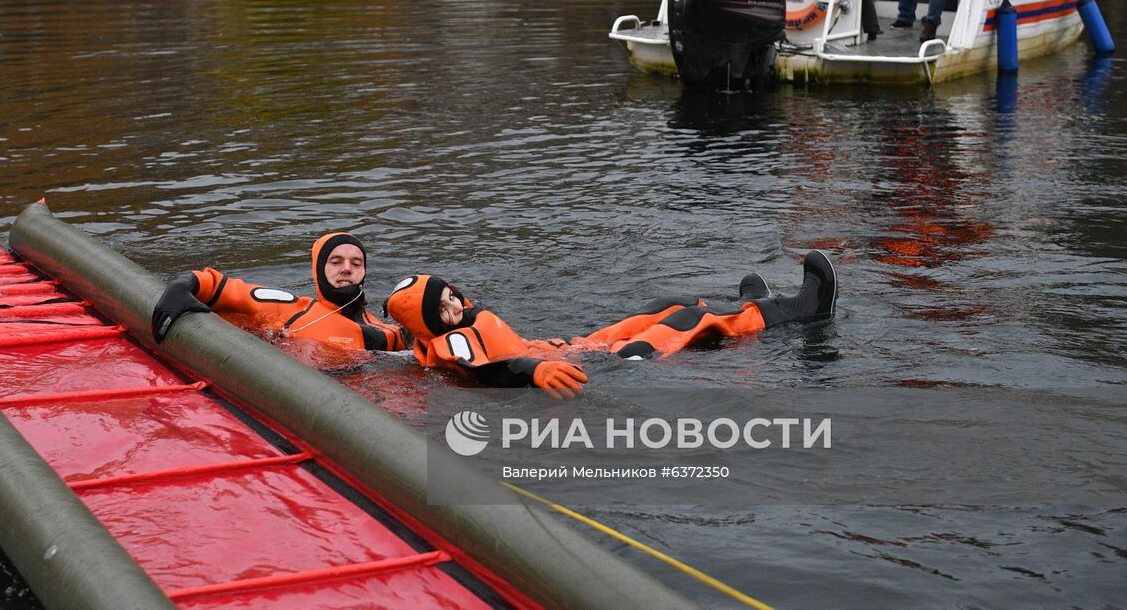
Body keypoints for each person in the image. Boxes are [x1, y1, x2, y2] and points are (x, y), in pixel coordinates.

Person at [385, 252, 838, 398]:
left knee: (667, 303)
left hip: (576, 348)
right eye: (441, 310)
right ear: (428, 326)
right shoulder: (452, 343)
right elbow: (485, 372)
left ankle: (748, 304)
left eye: (452, 296)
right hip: (600, 366)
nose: (455, 307)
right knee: (685, 321)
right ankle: (799, 311)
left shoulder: (455, 323)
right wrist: (533, 371)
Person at [150, 231, 407, 351]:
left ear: (364, 272)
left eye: (356, 263)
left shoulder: (386, 334)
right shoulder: (291, 310)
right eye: (336, 262)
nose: (347, 269)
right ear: (319, 270)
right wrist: (181, 285)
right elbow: (217, 286)